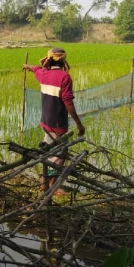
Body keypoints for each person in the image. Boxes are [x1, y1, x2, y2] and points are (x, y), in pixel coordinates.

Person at [23, 47, 85, 194]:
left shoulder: (43, 74)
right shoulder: (64, 77)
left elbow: (36, 68)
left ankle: (44, 183)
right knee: (59, 154)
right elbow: (68, 102)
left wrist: (27, 67)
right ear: (63, 60)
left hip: (46, 122)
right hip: (58, 123)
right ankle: (52, 186)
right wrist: (78, 123)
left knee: (49, 150)